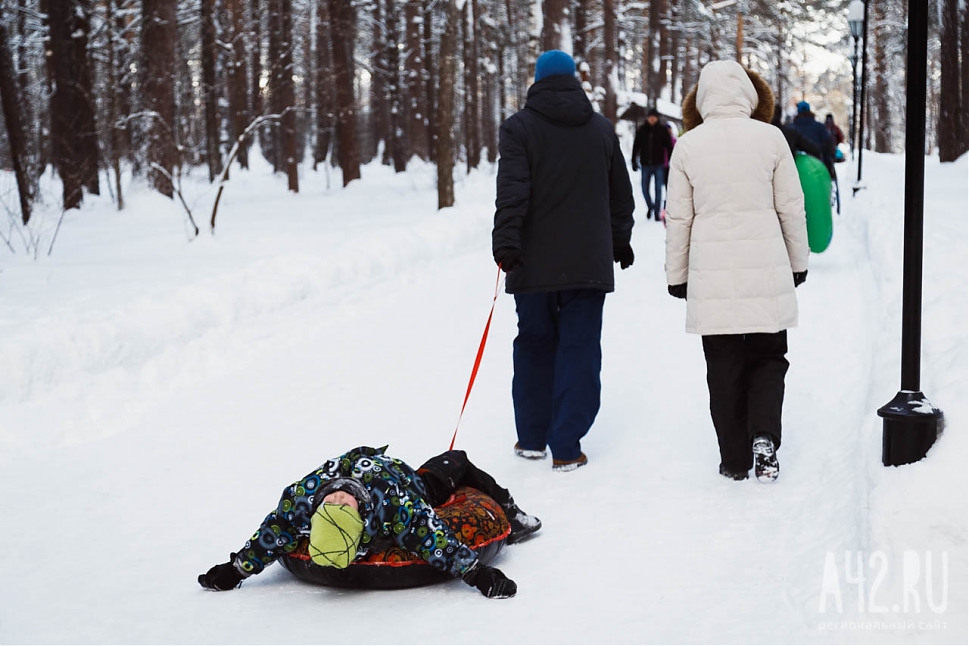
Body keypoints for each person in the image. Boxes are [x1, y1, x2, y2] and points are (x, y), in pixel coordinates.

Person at [665, 61, 809, 483]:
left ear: (701, 98)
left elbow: (680, 219)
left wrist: (677, 275)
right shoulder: (771, 139)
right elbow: (791, 207)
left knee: (723, 365)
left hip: (710, 274)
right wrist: (797, 263)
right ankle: (763, 434)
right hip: (766, 268)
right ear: (750, 95)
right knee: (768, 357)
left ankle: (734, 460)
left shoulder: (689, 146)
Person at [492, 50, 635, 472]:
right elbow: (620, 195)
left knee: (535, 345)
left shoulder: (518, 128)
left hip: (532, 262)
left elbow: (512, 191)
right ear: (574, 80)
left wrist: (507, 243)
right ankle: (568, 446)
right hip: (588, 263)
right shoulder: (601, 130)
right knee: (579, 348)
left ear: (537, 80)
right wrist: (619, 241)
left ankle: (533, 438)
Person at [198, 446, 541, 597]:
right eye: (339, 504)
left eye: (335, 502)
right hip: (408, 480)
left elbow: (271, 535)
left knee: (456, 461)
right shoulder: (387, 505)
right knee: (456, 460)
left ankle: (511, 512)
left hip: (386, 467)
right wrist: (480, 574)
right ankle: (512, 513)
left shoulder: (306, 499)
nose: (337, 495)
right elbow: (435, 540)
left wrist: (235, 570)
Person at [631, 107, 675, 220]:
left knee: (658, 189)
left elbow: (669, 146)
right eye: (650, 117)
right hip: (645, 164)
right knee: (644, 188)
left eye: (654, 117)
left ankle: (656, 212)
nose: (652, 119)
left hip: (659, 164)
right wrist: (633, 161)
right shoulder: (642, 130)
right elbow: (636, 146)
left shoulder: (662, 130)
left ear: (657, 118)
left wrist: (671, 162)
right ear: (647, 117)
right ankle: (650, 206)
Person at [792, 101, 835, 176]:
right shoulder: (820, 127)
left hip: (795, 169)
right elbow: (829, 147)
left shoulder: (790, 128)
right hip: (817, 169)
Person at [662, 122, 678, 189]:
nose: (669, 131)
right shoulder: (662, 140)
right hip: (664, 164)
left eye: (669, 129)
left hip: (673, 163)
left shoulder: (674, 140)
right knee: (666, 181)